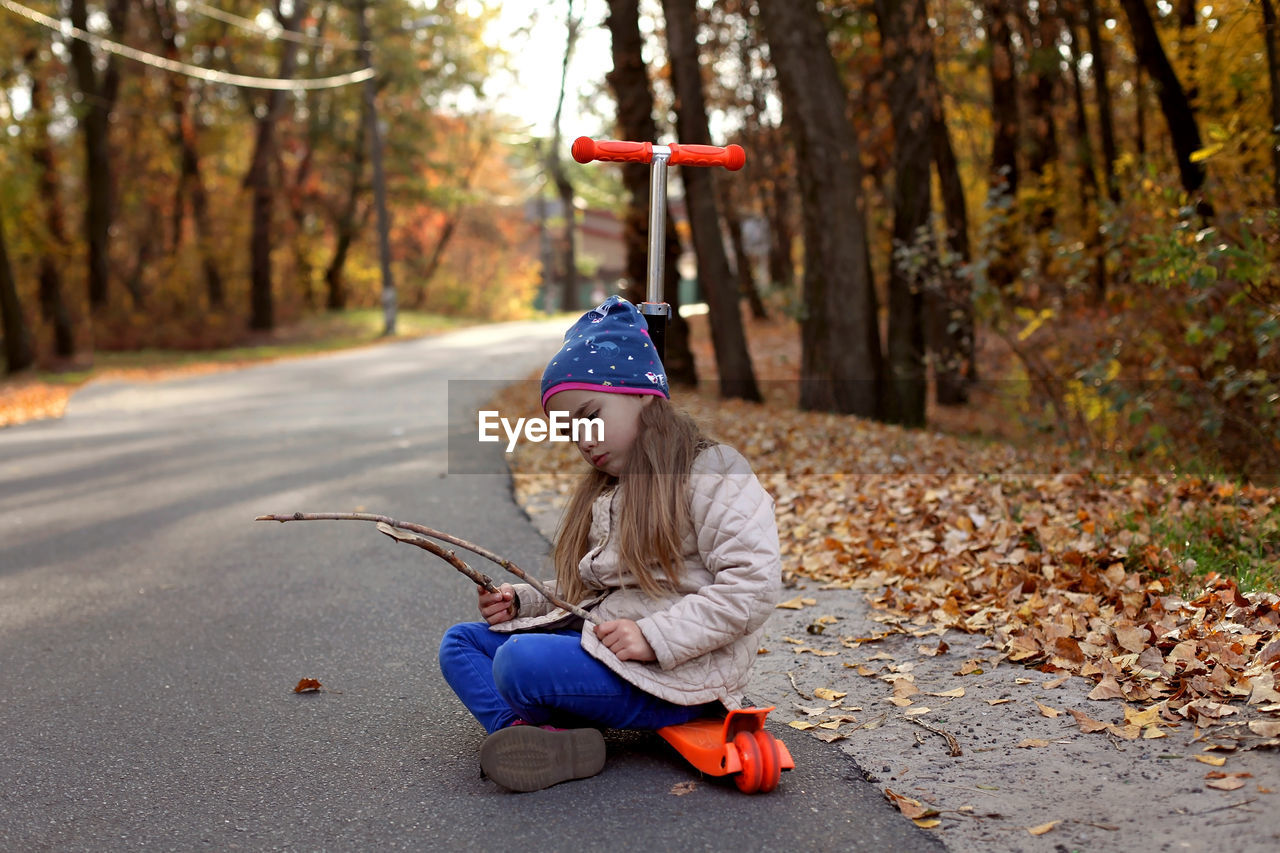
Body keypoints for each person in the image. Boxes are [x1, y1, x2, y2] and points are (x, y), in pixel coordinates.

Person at [438, 295, 782, 792]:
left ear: (642, 393)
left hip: (678, 673)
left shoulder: (711, 471)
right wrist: (524, 601)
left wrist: (654, 638)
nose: (583, 438)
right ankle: (531, 739)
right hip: (607, 651)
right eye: (569, 428)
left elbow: (752, 585)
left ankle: (544, 722)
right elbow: (595, 588)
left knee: (518, 663)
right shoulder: (609, 489)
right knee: (462, 643)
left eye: (590, 414)